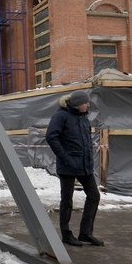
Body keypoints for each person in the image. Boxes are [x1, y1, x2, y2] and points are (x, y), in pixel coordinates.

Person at [45, 89, 103, 246]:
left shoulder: (84, 118)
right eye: (85, 103)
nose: (88, 105)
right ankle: (66, 234)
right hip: (68, 166)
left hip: (85, 165)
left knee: (94, 196)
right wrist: (66, 158)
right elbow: (51, 137)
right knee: (67, 200)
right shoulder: (61, 116)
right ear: (77, 104)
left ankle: (86, 233)